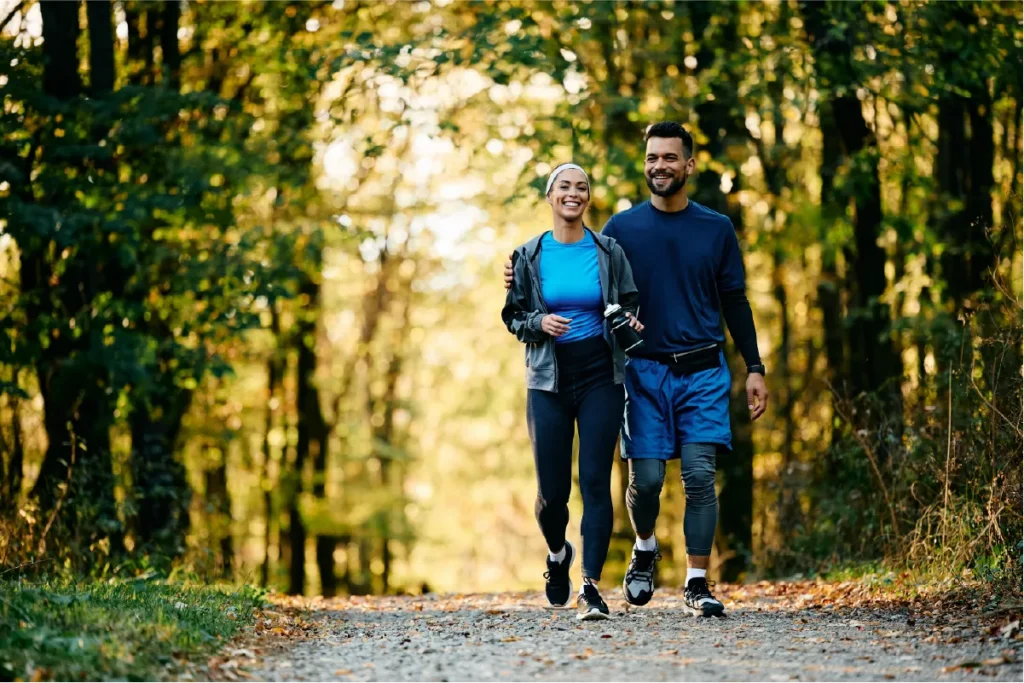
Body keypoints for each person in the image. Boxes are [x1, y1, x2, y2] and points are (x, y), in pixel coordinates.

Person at [504, 123, 768, 617]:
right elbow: (578, 265)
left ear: (689, 165)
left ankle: (696, 582)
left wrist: (754, 365)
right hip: (642, 372)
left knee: (698, 475)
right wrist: (518, 271)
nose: (660, 166)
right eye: (652, 158)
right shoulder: (619, 232)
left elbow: (735, 299)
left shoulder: (716, 228)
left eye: (670, 158)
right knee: (644, 480)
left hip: (703, 368)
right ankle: (644, 546)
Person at [501, 163, 644, 621]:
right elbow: (513, 316)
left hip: (601, 374)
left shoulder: (608, 250)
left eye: (582, 187)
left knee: (595, 485)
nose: (574, 193)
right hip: (548, 379)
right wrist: (539, 323)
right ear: (550, 195)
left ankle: (590, 587)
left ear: (588, 198)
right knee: (552, 494)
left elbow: (629, 301)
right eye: (565, 186)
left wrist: (629, 320)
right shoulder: (527, 255)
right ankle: (558, 552)